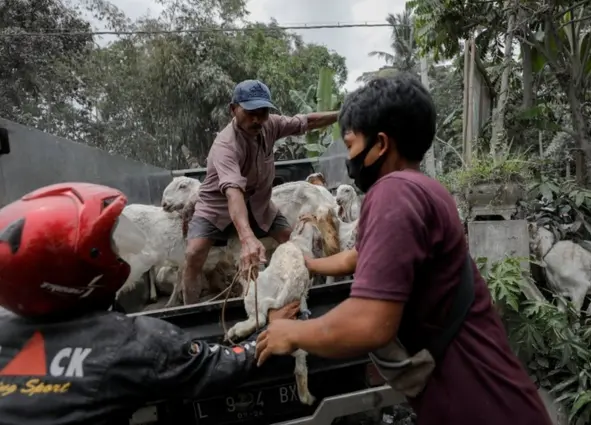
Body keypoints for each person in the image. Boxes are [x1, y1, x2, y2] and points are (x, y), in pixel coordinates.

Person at [255, 74, 553, 425]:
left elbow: (370, 323)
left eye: (350, 144)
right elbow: (359, 257)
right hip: (495, 398)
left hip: (482, 404)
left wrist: (292, 333)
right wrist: (307, 263)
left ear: (381, 144)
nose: (349, 158)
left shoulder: (392, 193)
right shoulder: (423, 188)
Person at [0, 182, 299, 424]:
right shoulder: (131, 342)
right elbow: (220, 365)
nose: (117, 252)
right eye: (108, 246)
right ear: (73, 269)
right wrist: (269, 333)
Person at [182, 79, 339, 304]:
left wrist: (342, 114)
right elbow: (233, 192)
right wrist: (247, 239)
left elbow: (305, 122)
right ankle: (189, 310)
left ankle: (304, 297)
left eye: (262, 112)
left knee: (294, 242)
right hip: (217, 208)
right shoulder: (225, 145)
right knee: (193, 254)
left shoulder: (271, 125)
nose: (257, 119)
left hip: (260, 206)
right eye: (250, 112)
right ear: (233, 109)